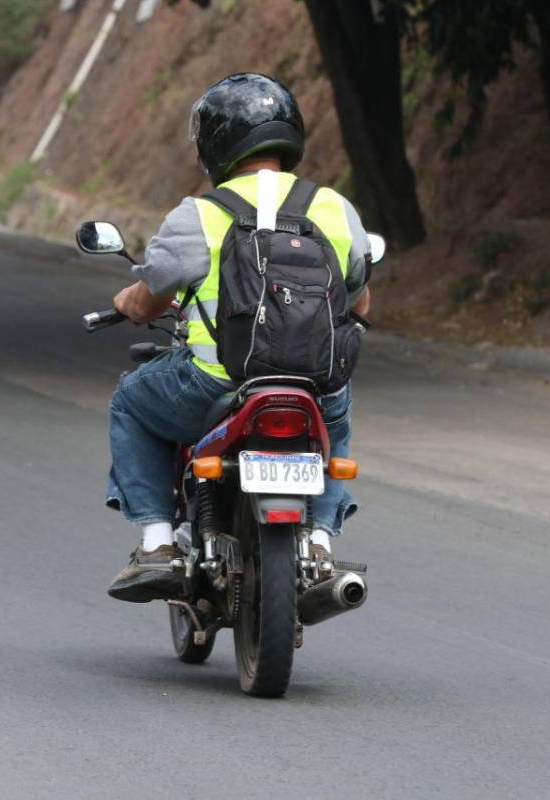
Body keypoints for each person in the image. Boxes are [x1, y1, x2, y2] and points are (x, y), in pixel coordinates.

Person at [105, 73, 373, 602]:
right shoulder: (334, 208)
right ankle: (320, 544)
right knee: (338, 407)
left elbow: (148, 299)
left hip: (215, 387)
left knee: (130, 402)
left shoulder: (199, 214)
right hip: (313, 390)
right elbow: (360, 303)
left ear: (214, 145)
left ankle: (157, 544)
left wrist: (125, 304)